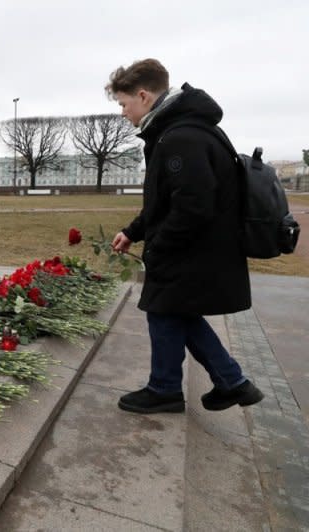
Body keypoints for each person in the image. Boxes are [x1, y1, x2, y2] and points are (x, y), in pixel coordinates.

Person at [106, 58, 263, 414]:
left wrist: (159, 247)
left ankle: (166, 389)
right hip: (199, 249)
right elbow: (165, 200)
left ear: (143, 96)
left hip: (193, 250)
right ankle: (231, 382)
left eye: (123, 103)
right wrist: (133, 232)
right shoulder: (179, 130)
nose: (122, 112)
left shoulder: (180, 136)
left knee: (164, 312)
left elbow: (193, 205)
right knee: (175, 313)